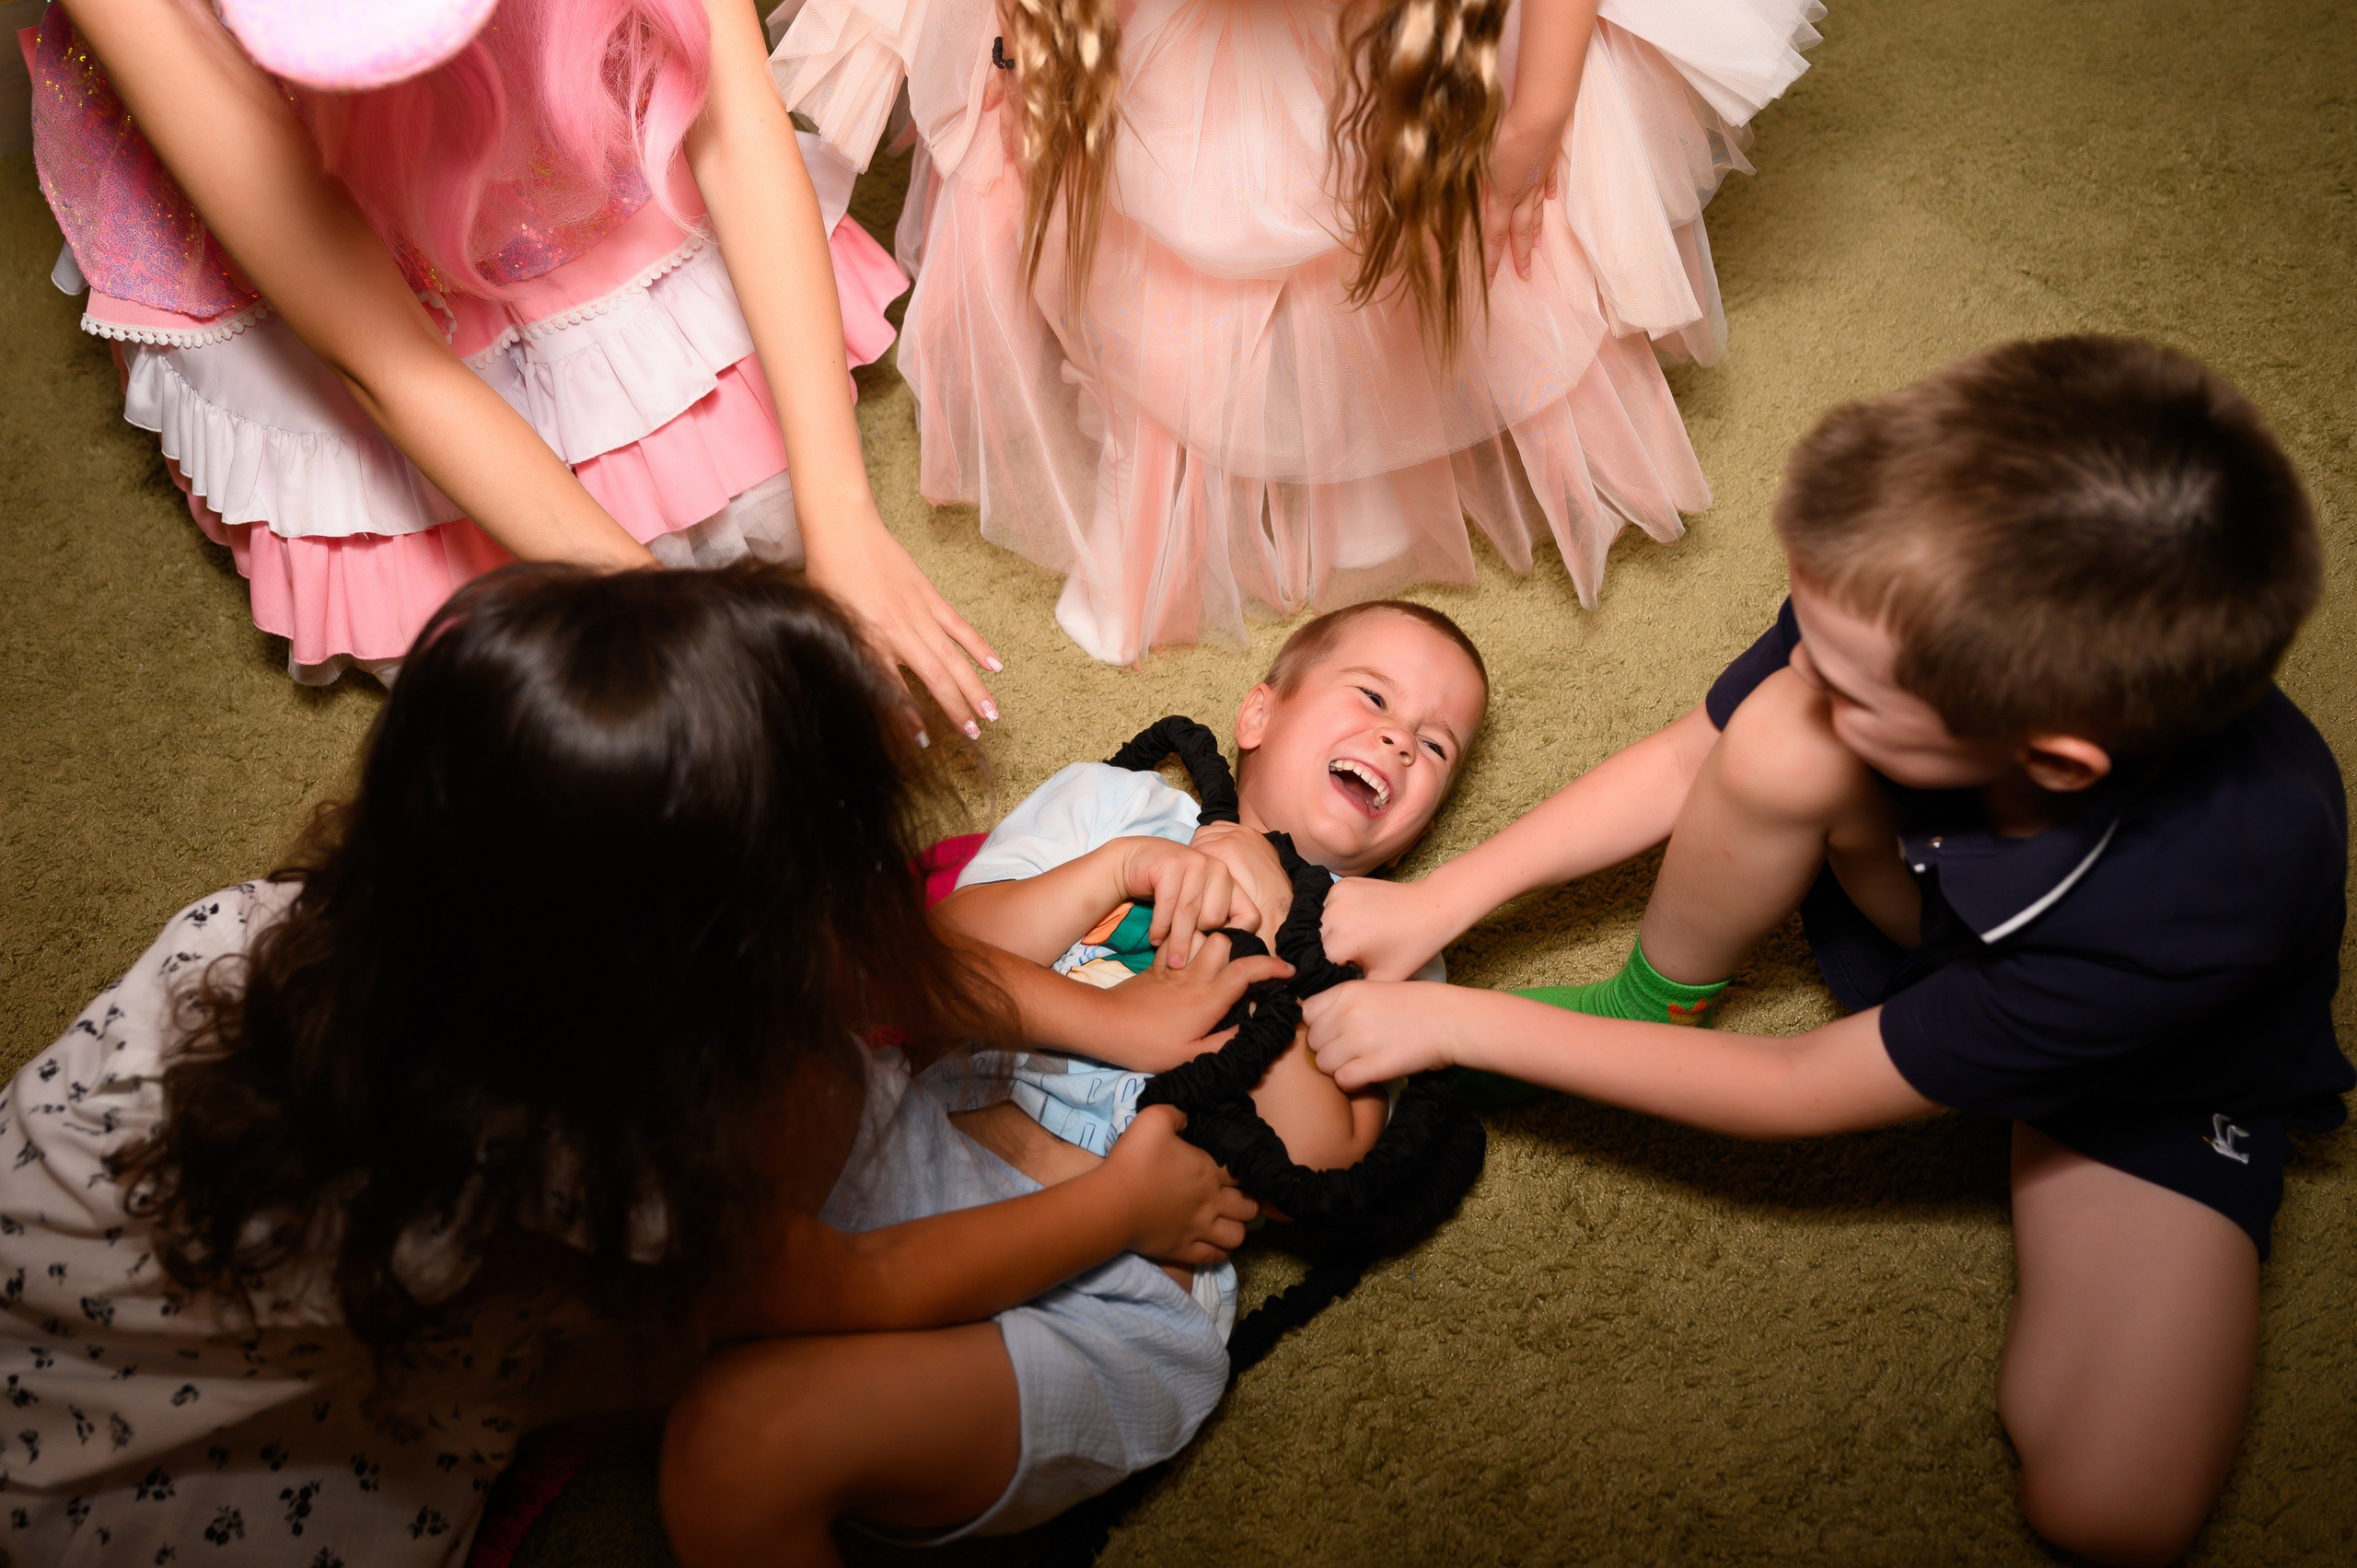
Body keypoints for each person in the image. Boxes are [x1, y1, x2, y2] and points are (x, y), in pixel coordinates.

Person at [1305, 338, 2351, 1567]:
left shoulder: (2183, 911)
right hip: (1930, 887)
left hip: (2145, 1078)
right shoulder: (1898, 586)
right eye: (1807, 617)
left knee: (2106, 1507)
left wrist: (1464, 1019)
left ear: (2052, 752)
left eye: (1848, 674)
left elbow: (1799, 1084)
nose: (1798, 657)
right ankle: (1655, 998)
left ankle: (2016, 1091)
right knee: (1776, 739)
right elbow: (1695, 754)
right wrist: (1446, 900)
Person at [0, 565, 1248, 1564]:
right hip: (114, 1465)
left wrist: (1101, 1020)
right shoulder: (577, 1171)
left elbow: (864, 968)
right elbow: (859, 1277)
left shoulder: (274, 926)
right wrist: (1118, 1203)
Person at [22, 0, 999, 732]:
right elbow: (384, 360)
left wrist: (845, 517)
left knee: (762, 497)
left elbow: (737, 124)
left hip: (540, 108)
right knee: (479, 650)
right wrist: (691, 646)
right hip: (289, 183)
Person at [770, 0, 1823, 664]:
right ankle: (1221, 461)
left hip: (1408, 37)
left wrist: (1533, 123)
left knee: (1434, 223)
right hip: (1165, 37)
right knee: (1165, 221)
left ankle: (1372, 458)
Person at [930, 600, 1491, 1333]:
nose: (1399, 739)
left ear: (1415, 834)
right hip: (964, 1115)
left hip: (1155, 1240)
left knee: (1164, 1356)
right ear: (1257, 715)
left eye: (1436, 746)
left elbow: (1315, 1170)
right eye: (1374, 695)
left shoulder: (1398, 940)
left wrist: (1271, 909)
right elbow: (938, 958)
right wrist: (1120, 868)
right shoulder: (1119, 803)